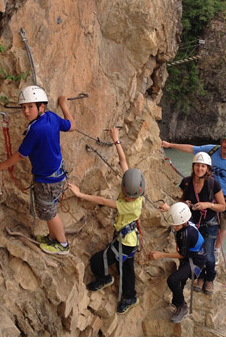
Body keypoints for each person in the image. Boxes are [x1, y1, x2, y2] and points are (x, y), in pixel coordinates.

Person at [0, 85, 75, 254]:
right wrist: (64, 106)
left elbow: (20, 155)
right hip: (56, 175)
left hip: (47, 180)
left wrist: (0, 166)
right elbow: (72, 126)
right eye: (23, 107)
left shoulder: (35, 130)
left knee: (50, 213)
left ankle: (62, 245)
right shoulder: (52, 117)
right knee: (50, 208)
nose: (26, 111)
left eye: (30, 107)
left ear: (41, 107)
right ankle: (53, 238)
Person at [67, 128, 144, 315]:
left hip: (125, 242)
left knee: (97, 260)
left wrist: (79, 194)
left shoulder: (129, 205)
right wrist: (116, 140)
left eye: (129, 196)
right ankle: (130, 296)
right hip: (128, 239)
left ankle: (104, 279)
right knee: (126, 268)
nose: (128, 197)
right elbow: (123, 162)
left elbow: (102, 201)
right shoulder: (136, 192)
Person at [161, 129, 226, 264]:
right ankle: (197, 243)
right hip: (205, 190)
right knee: (200, 218)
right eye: (225, 142)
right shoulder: (212, 150)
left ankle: (216, 249)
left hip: (225, 196)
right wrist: (170, 145)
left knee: (223, 225)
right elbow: (192, 149)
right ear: (222, 141)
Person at [159, 152, 225, 295]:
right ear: (193, 166)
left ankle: (209, 279)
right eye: (197, 165)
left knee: (208, 255)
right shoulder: (187, 182)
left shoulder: (213, 184)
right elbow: (182, 200)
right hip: (193, 223)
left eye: (203, 166)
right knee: (196, 252)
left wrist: (208, 204)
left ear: (208, 169)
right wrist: (185, 203)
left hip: (209, 223)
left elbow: (222, 206)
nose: (199, 169)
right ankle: (200, 277)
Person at [148, 202, 206, 324]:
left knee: (172, 280)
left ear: (183, 223)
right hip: (190, 256)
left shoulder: (186, 234)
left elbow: (182, 255)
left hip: (194, 261)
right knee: (180, 282)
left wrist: (161, 254)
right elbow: (180, 216)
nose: (174, 228)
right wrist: (169, 210)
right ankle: (177, 301)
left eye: (176, 226)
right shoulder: (185, 220)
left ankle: (182, 306)